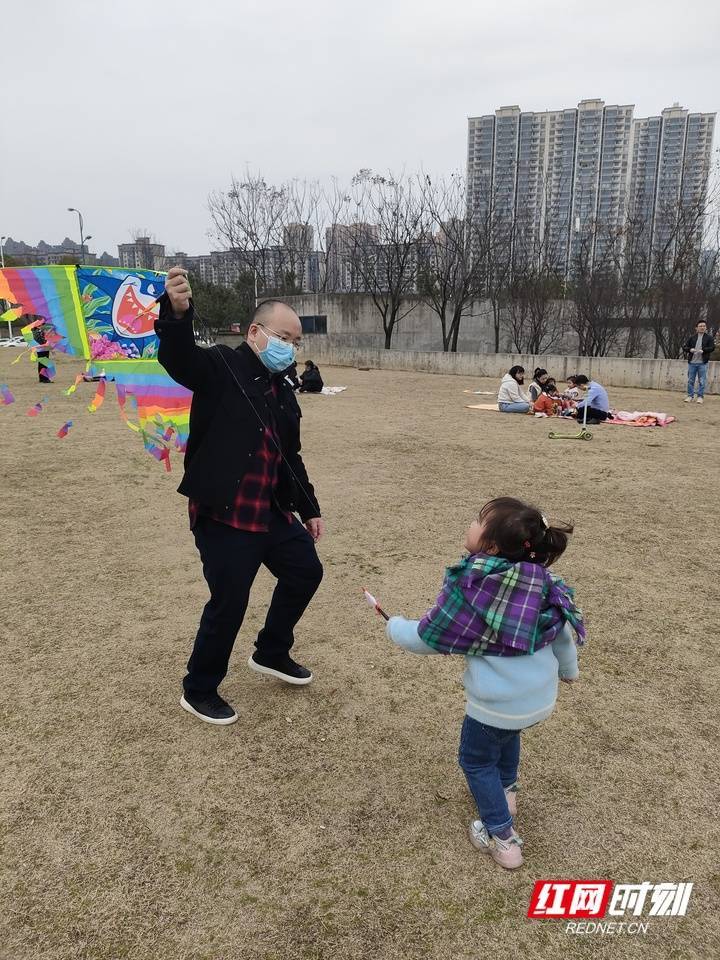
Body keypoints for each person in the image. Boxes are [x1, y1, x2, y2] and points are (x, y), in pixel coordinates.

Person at [156, 267, 325, 726]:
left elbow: (290, 454)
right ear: (255, 332)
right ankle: (200, 687)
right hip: (223, 511)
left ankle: (271, 650)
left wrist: (308, 508)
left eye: (295, 341)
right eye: (282, 337)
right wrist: (176, 313)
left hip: (269, 510)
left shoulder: (285, 389)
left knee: (306, 570)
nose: (289, 347)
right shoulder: (219, 366)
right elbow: (179, 358)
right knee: (229, 600)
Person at [384, 497, 584, 869]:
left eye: (479, 520)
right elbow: (562, 635)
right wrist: (568, 671)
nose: (472, 523)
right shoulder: (542, 582)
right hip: (537, 701)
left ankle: (501, 837)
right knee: (508, 737)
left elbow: (429, 637)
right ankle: (507, 792)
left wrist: (393, 626)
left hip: (494, 705)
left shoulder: (474, 587)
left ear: (491, 546)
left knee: (476, 761)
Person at [683, 321, 715, 404]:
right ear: (696, 328)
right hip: (692, 363)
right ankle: (690, 396)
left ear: (706, 327)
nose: (702, 327)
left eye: (704, 326)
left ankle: (700, 397)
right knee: (690, 380)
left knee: (702, 381)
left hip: (703, 363)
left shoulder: (709, 338)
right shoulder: (692, 337)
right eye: (700, 326)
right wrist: (690, 349)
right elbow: (685, 347)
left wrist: (703, 350)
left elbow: (712, 348)